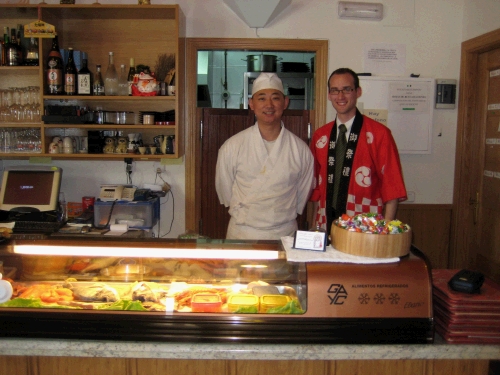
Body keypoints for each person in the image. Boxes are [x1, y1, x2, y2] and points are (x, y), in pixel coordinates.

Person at [216, 72, 314, 240]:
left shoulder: (301, 150)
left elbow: (302, 194)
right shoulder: (232, 146)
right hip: (242, 234)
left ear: (285, 103)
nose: (269, 105)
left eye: (275, 98)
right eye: (261, 98)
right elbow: (225, 191)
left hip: (284, 235)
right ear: (251, 104)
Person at [310, 67, 407, 234]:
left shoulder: (379, 134)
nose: (340, 96)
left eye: (347, 89)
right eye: (335, 90)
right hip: (326, 222)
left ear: (358, 92)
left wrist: (385, 232)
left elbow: (392, 187)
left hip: (366, 226)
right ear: (329, 94)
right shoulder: (320, 136)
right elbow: (316, 188)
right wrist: (314, 227)